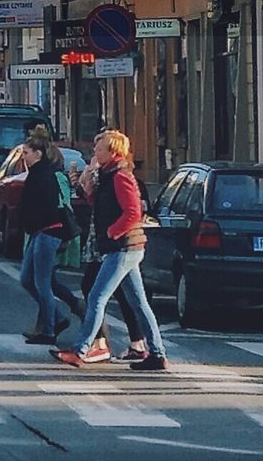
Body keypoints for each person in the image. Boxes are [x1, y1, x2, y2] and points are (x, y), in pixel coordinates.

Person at [53, 129, 168, 372]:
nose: (94, 152)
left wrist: (113, 232)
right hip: (125, 246)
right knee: (139, 303)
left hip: (124, 246)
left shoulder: (121, 176)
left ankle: (80, 350)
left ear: (112, 151)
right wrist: (85, 185)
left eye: (99, 149)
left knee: (97, 297)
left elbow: (133, 211)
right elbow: (100, 203)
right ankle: (157, 354)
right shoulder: (108, 174)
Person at [19, 138, 83, 344]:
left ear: (38, 154)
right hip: (40, 233)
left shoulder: (46, 175)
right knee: (28, 279)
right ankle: (59, 316)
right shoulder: (37, 174)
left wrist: (32, 222)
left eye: (27, 152)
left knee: (42, 283)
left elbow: (49, 207)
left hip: (49, 233)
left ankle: (48, 330)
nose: (24, 156)